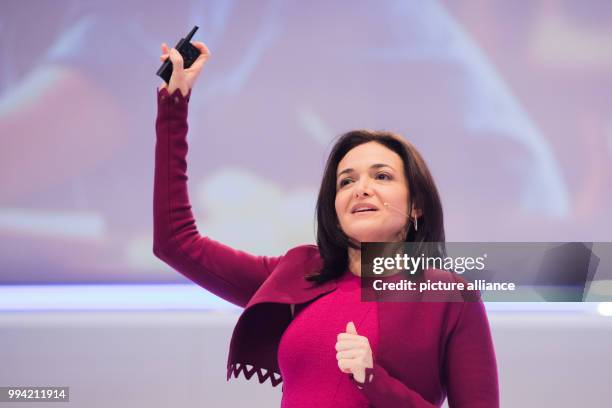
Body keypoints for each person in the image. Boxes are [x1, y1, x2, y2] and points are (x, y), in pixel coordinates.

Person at [153, 41, 499, 407]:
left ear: (417, 207)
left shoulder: (447, 295)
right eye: (346, 181)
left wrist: (375, 381)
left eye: (381, 176)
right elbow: (175, 241)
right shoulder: (300, 273)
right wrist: (174, 106)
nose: (360, 189)